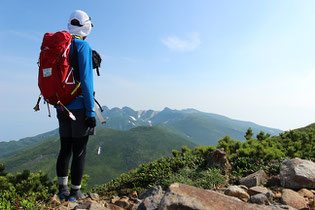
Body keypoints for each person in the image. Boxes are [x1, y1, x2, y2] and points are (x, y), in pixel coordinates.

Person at [56, 10, 96, 202]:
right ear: (85, 26)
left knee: (65, 148)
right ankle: (75, 193)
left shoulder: (59, 46)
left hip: (60, 106)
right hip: (79, 107)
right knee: (79, 150)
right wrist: (90, 112)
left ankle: (61, 191)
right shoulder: (82, 46)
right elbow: (87, 81)